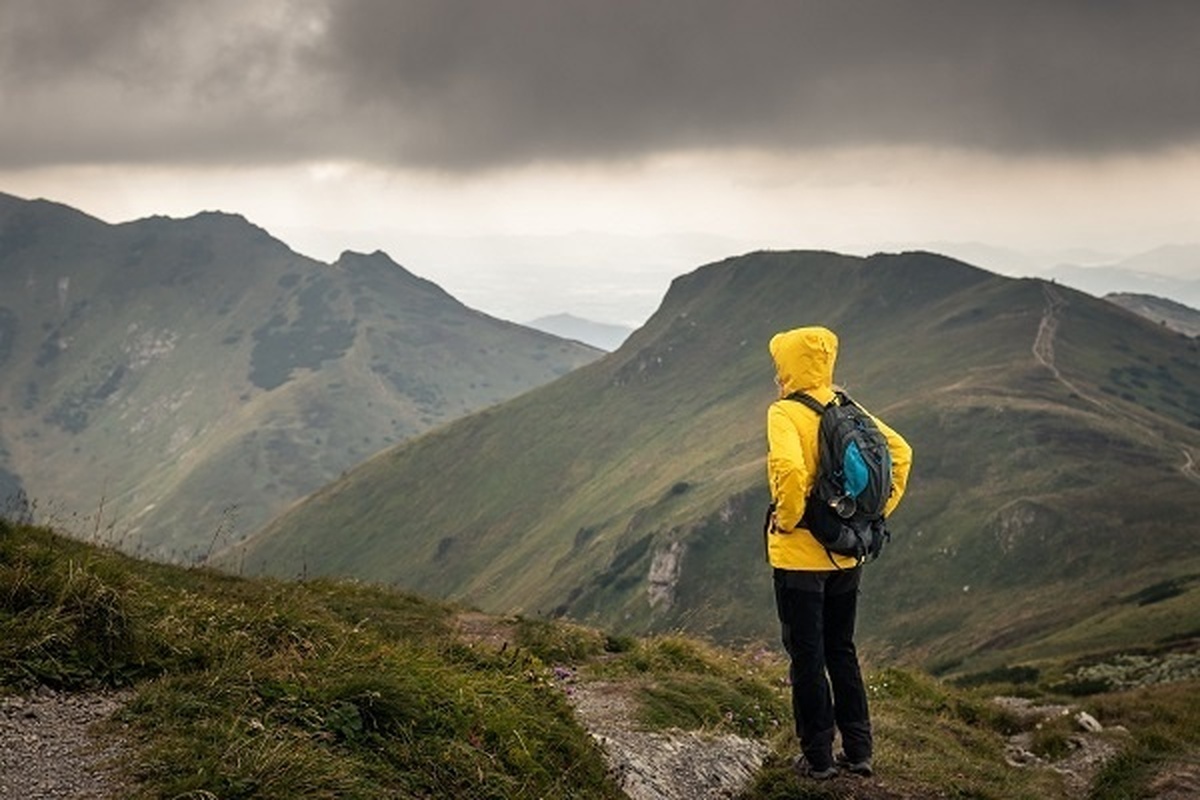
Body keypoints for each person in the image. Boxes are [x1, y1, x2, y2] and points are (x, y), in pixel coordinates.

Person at [765, 326, 912, 780]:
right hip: (847, 553)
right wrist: (872, 516)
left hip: (799, 561)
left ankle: (818, 758)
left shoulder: (785, 412)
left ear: (787, 366)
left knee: (807, 657)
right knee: (841, 650)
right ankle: (860, 751)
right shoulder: (847, 406)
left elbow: (789, 469)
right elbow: (900, 453)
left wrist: (788, 521)